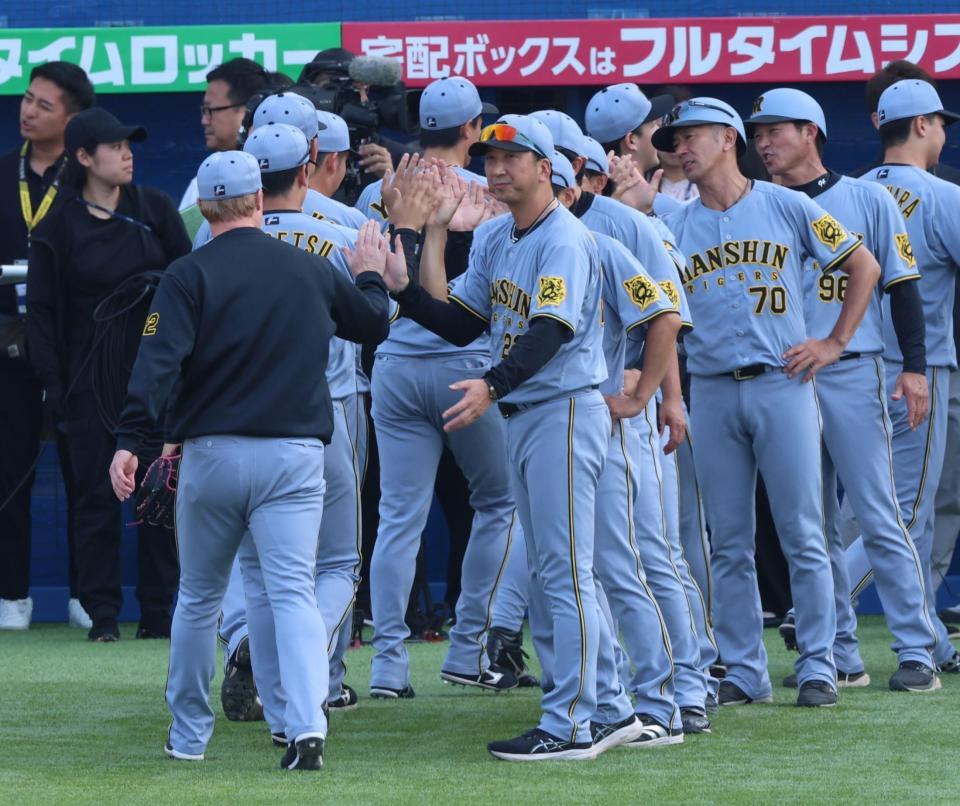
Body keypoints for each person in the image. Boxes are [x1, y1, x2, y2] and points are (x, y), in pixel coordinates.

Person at [109, 149, 391, 769]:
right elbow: (373, 324)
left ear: (205, 209)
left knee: (200, 599)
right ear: (258, 201)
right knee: (291, 593)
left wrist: (132, 441)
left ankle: (188, 736)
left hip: (213, 455)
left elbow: (157, 366)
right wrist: (371, 274)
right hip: (295, 456)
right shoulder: (309, 268)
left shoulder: (188, 273)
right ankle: (304, 727)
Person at [386, 114, 640, 760]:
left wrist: (491, 385)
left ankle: (573, 723)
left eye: (512, 158)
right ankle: (607, 707)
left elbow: (549, 332)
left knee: (565, 572)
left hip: (563, 408)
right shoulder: (500, 234)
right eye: (490, 157)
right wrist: (403, 291)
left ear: (545, 169)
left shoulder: (564, 237)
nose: (496, 169)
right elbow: (460, 322)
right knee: (561, 570)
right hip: (528, 412)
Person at [647, 97, 882, 707]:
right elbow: (663, 320)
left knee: (803, 532)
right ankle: (745, 671)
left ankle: (820, 663)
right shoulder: (673, 225)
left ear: (728, 139)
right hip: (715, 392)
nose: (680, 148)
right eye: (675, 139)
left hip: (784, 385)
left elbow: (864, 264)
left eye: (692, 135)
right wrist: (672, 397)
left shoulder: (788, 204)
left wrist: (835, 341)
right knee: (728, 540)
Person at [747, 87, 941, 691]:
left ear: (811, 131)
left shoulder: (869, 198)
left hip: (854, 369)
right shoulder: (761, 204)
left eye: (774, 130)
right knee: (813, 526)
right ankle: (839, 651)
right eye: (757, 133)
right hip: (785, 378)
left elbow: (902, 285)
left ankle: (917, 648)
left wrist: (914, 366)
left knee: (878, 513)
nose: (763, 143)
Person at [359, 78, 515, 700]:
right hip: (466, 364)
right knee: (498, 505)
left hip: (395, 366)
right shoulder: (492, 192)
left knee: (399, 518)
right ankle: (467, 646)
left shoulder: (380, 188)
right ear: (472, 129)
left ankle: (388, 665)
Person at [26, 107, 190, 642]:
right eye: (115, 146)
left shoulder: (157, 209)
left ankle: (159, 614)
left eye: (130, 144)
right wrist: (54, 384)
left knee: (161, 496)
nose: (128, 154)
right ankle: (100, 616)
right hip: (87, 386)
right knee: (95, 500)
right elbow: (43, 317)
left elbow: (188, 288)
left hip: (156, 380)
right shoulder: (57, 228)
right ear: (82, 158)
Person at [843, 80, 960, 673]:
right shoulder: (943, 197)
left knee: (857, 512)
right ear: (920, 125)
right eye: (941, 123)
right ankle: (824, 606)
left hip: (853, 369)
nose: (943, 133)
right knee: (904, 515)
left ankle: (927, 638)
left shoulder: (848, 194)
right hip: (920, 371)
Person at [0, 61, 93, 631]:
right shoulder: (1, 174)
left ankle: (89, 595)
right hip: (9, 348)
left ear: (74, 119)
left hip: (73, 350)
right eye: (26, 99)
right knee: (9, 470)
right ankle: (12, 596)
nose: (28, 111)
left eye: (44, 105)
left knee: (84, 471)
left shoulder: (88, 181)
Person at [178, 58, 271, 212]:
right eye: (203, 111)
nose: (204, 120)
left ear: (248, 110)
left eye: (210, 110)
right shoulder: (203, 184)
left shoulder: (207, 184)